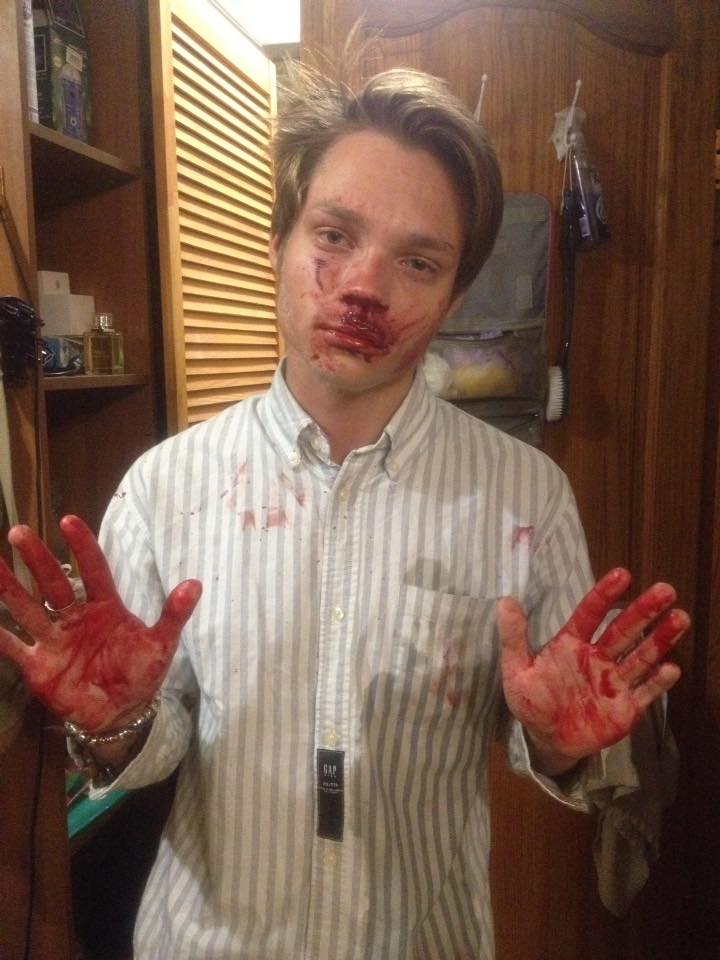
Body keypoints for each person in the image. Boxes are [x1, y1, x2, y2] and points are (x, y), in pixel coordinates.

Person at [0, 60, 688, 960]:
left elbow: (553, 739)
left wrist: (559, 747)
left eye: (418, 261)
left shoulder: (526, 497)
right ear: (279, 243)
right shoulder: (164, 487)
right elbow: (152, 742)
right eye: (334, 235)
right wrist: (116, 719)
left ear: (453, 295)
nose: (365, 285)